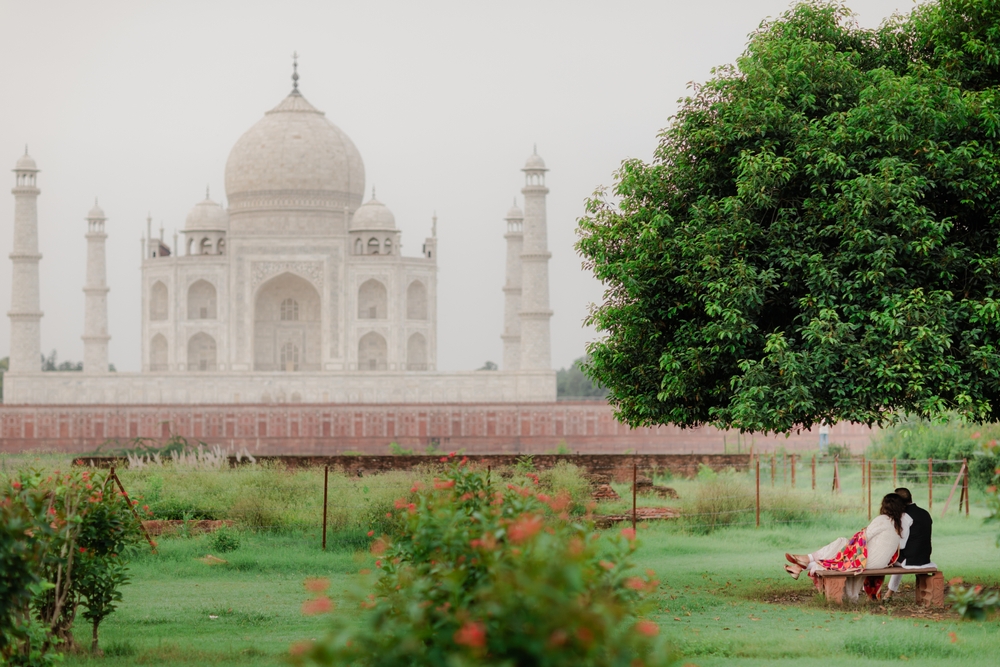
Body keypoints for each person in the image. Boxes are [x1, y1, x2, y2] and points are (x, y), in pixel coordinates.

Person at [783, 493, 909, 602]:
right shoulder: (897, 525)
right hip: (880, 562)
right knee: (841, 551)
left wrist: (849, 545)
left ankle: (806, 559)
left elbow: (864, 537)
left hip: (870, 561)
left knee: (841, 542)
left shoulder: (882, 519)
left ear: (885, 506)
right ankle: (798, 567)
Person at [884, 487, 935, 600]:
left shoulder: (904, 517)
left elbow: (901, 544)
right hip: (925, 558)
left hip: (911, 560)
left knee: (882, 558)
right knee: (899, 556)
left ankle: (871, 594)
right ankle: (889, 593)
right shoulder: (925, 513)